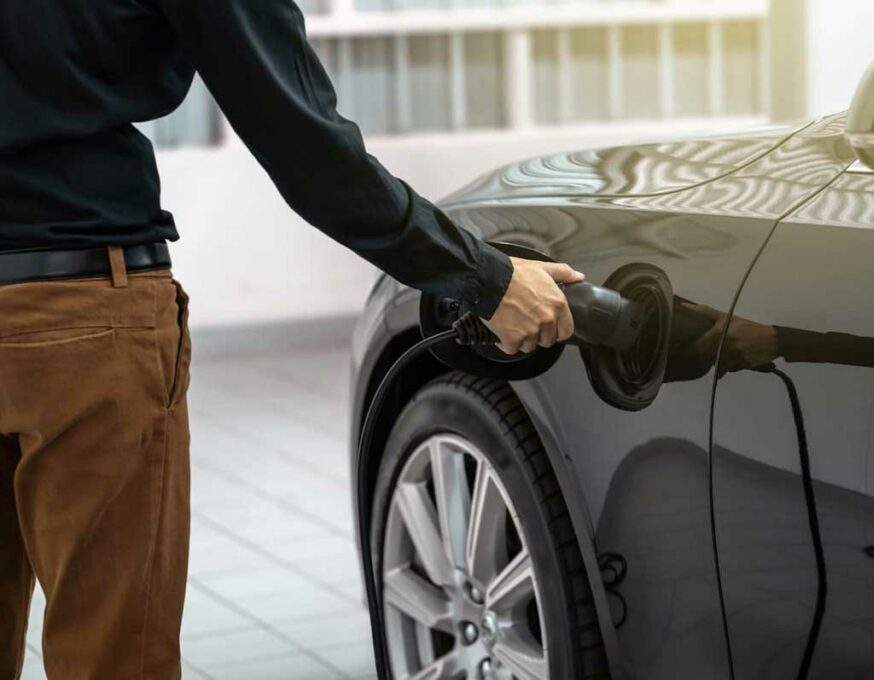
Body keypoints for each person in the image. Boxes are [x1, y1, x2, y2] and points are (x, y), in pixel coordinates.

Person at [0, 0, 581, 677]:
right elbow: (306, 146)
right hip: (81, 317)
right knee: (112, 659)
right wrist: (486, 279)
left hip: (72, 309)